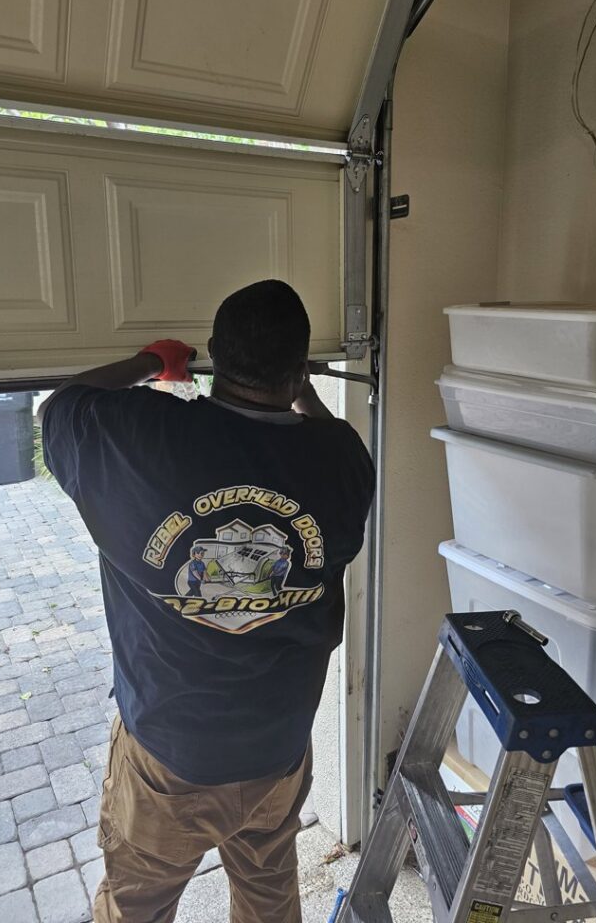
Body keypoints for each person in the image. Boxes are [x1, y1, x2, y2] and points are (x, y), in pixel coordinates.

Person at [41, 279, 375, 923]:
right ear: (301, 369)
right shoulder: (342, 460)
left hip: (171, 759)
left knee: (136, 906)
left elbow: (63, 403)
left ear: (215, 358)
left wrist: (152, 362)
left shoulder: (136, 435)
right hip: (279, 748)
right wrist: (302, 388)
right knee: (269, 896)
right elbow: (328, 433)